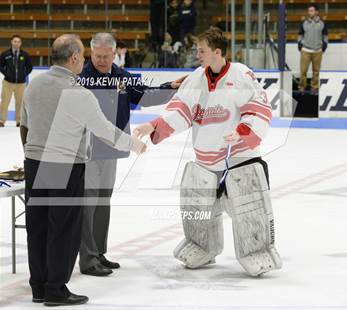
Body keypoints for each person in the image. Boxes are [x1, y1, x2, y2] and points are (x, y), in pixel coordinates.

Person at [134, 28, 282, 276]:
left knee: (249, 207)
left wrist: (243, 131)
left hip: (239, 157)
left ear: (217, 52)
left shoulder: (241, 74)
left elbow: (259, 108)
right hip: (206, 160)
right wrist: (154, 125)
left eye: (201, 50)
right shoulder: (195, 78)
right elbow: (180, 110)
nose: (197, 54)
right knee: (197, 204)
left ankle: (258, 251)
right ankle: (202, 245)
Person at [20, 34, 146, 306]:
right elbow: (104, 131)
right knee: (63, 229)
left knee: (38, 226)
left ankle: (39, 287)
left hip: (35, 162)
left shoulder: (34, 85)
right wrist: (134, 144)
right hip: (65, 165)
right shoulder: (78, 93)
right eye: (83, 56)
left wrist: (32, 156)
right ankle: (56, 289)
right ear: (75, 58)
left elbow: (25, 125)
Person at [77, 32, 184, 277]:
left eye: (106, 56)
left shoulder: (120, 76)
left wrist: (170, 88)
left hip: (112, 148)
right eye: (97, 56)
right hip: (88, 150)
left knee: (103, 201)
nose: (102, 60)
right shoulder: (82, 78)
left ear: (115, 54)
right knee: (88, 204)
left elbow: (144, 96)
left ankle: (98, 253)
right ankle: (88, 258)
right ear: (90, 53)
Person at [0, 34, 32, 127]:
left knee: (20, 103)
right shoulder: (5, 54)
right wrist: (6, 73)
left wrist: (23, 75)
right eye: (15, 41)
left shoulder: (25, 55)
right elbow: (0, 66)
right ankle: (1, 121)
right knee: (4, 102)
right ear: (11, 42)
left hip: (21, 84)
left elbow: (30, 67)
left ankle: (19, 121)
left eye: (18, 42)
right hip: (7, 83)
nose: (16, 43)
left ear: (21, 43)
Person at [297, 4, 328, 93]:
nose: (309, 12)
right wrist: (300, 44)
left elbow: (325, 36)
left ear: (316, 12)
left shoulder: (322, 24)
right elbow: (300, 35)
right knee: (303, 71)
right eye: (309, 11)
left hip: (317, 51)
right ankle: (301, 87)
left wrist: (324, 46)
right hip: (305, 50)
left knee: (316, 71)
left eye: (311, 10)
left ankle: (314, 87)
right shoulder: (304, 23)